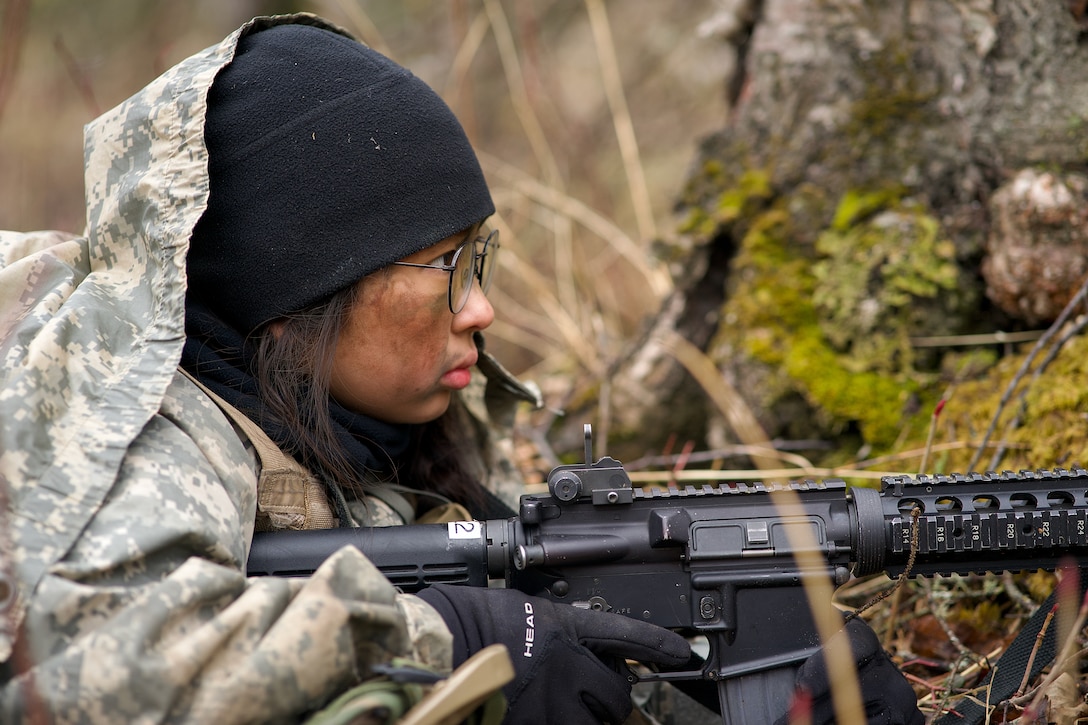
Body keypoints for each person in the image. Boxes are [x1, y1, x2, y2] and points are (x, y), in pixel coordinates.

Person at [0, 12, 921, 725]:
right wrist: (454, 639)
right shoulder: (150, 430)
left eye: (477, 261)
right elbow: (91, 666)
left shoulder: (360, 428)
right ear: (299, 296)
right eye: (445, 266)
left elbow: (559, 656)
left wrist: (699, 679)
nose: (479, 309)